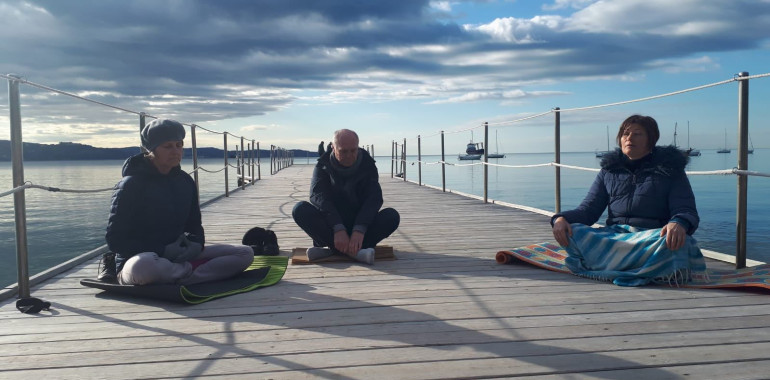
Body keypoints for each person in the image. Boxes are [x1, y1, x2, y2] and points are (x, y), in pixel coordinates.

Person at [550, 114, 706, 286]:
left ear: (651, 140)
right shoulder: (609, 171)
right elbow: (588, 211)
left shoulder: (671, 170)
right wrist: (560, 218)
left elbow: (685, 209)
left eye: (637, 134)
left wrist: (679, 223)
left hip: (649, 239)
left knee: (680, 243)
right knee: (573, 231)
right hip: (616, 236)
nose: (629, 138)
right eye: (625, 133)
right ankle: (646, 268)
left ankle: (610, 264)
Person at [102, 119, 254, 285]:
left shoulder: (185, 181)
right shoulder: (130, 185)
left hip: (179, 254)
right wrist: (162, 250)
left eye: (179, 145)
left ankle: (180, 274)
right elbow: (115, 240)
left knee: (245, 253)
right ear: (151, 150)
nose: (175, 151)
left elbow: (194, 224)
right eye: (167, 146)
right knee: (144, 267)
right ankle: (192, 273)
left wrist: (196, 244)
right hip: (142, 258)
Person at [293, 129, 400, 264]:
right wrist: (338, 228)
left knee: (392, 216)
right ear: (333, 147)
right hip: (332, 226)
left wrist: (359, 229)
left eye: (353, 150)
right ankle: (356, 253)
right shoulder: (323, 165)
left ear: (358, 147)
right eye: (343, 151)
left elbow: (374, 199)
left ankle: (331, 250)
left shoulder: (368, 165)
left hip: (359, 224)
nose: (349, 155)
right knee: (300, 209)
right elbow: (319, 197)